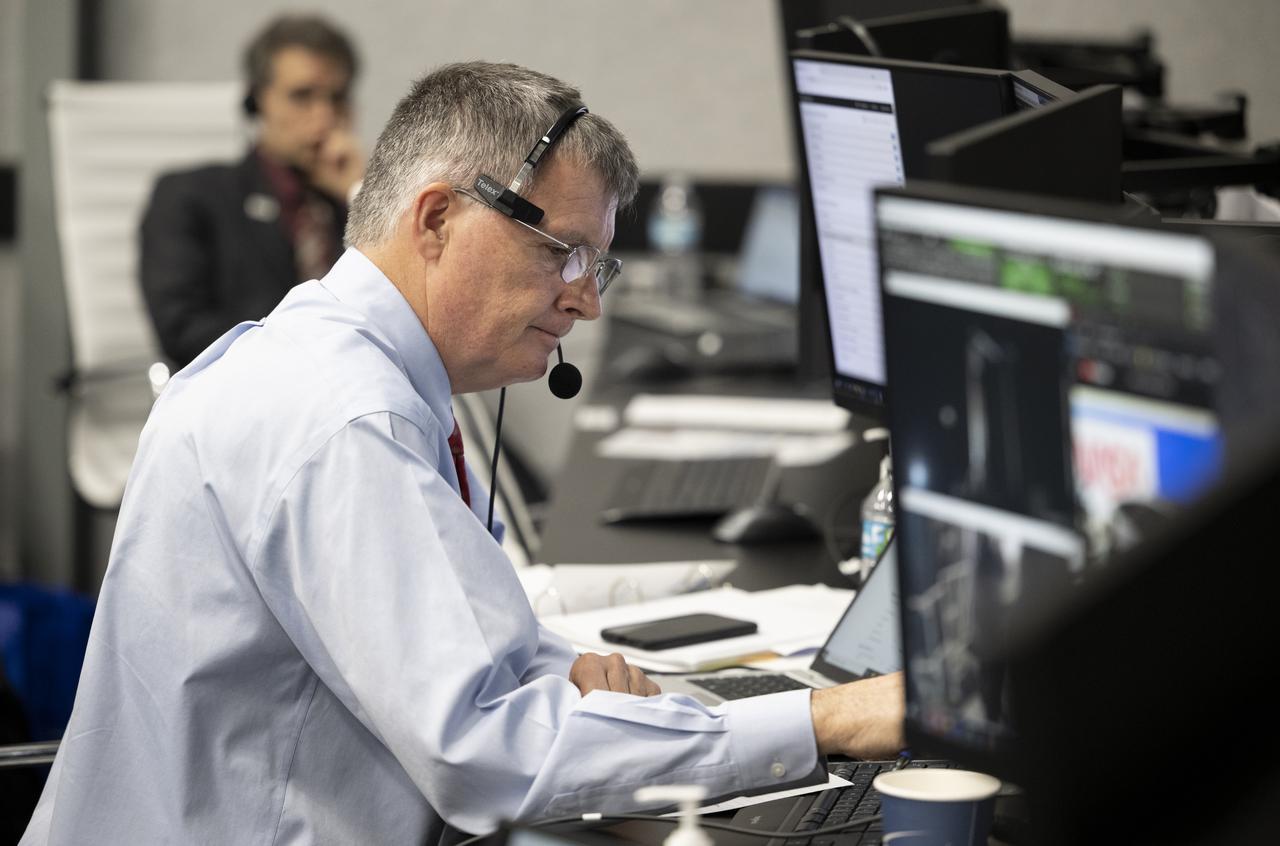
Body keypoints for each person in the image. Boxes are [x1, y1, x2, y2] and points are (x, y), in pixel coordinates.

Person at [21, 62, 905, 845]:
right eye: (565, 255)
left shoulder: (341, 362)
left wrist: (600, 692)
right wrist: (826, 719)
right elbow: (487, 756)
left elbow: (466, 647)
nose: (586, 302)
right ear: (438, 218)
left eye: (598, 267)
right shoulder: (343, 422)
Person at [140, 14, 364, 368]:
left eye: (337, 98)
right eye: (302, 96)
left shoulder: (351, 208)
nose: (324, 117)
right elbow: (182, 330)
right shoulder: (192, 196)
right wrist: (308, 361)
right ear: (255, 102)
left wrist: (360, 193)